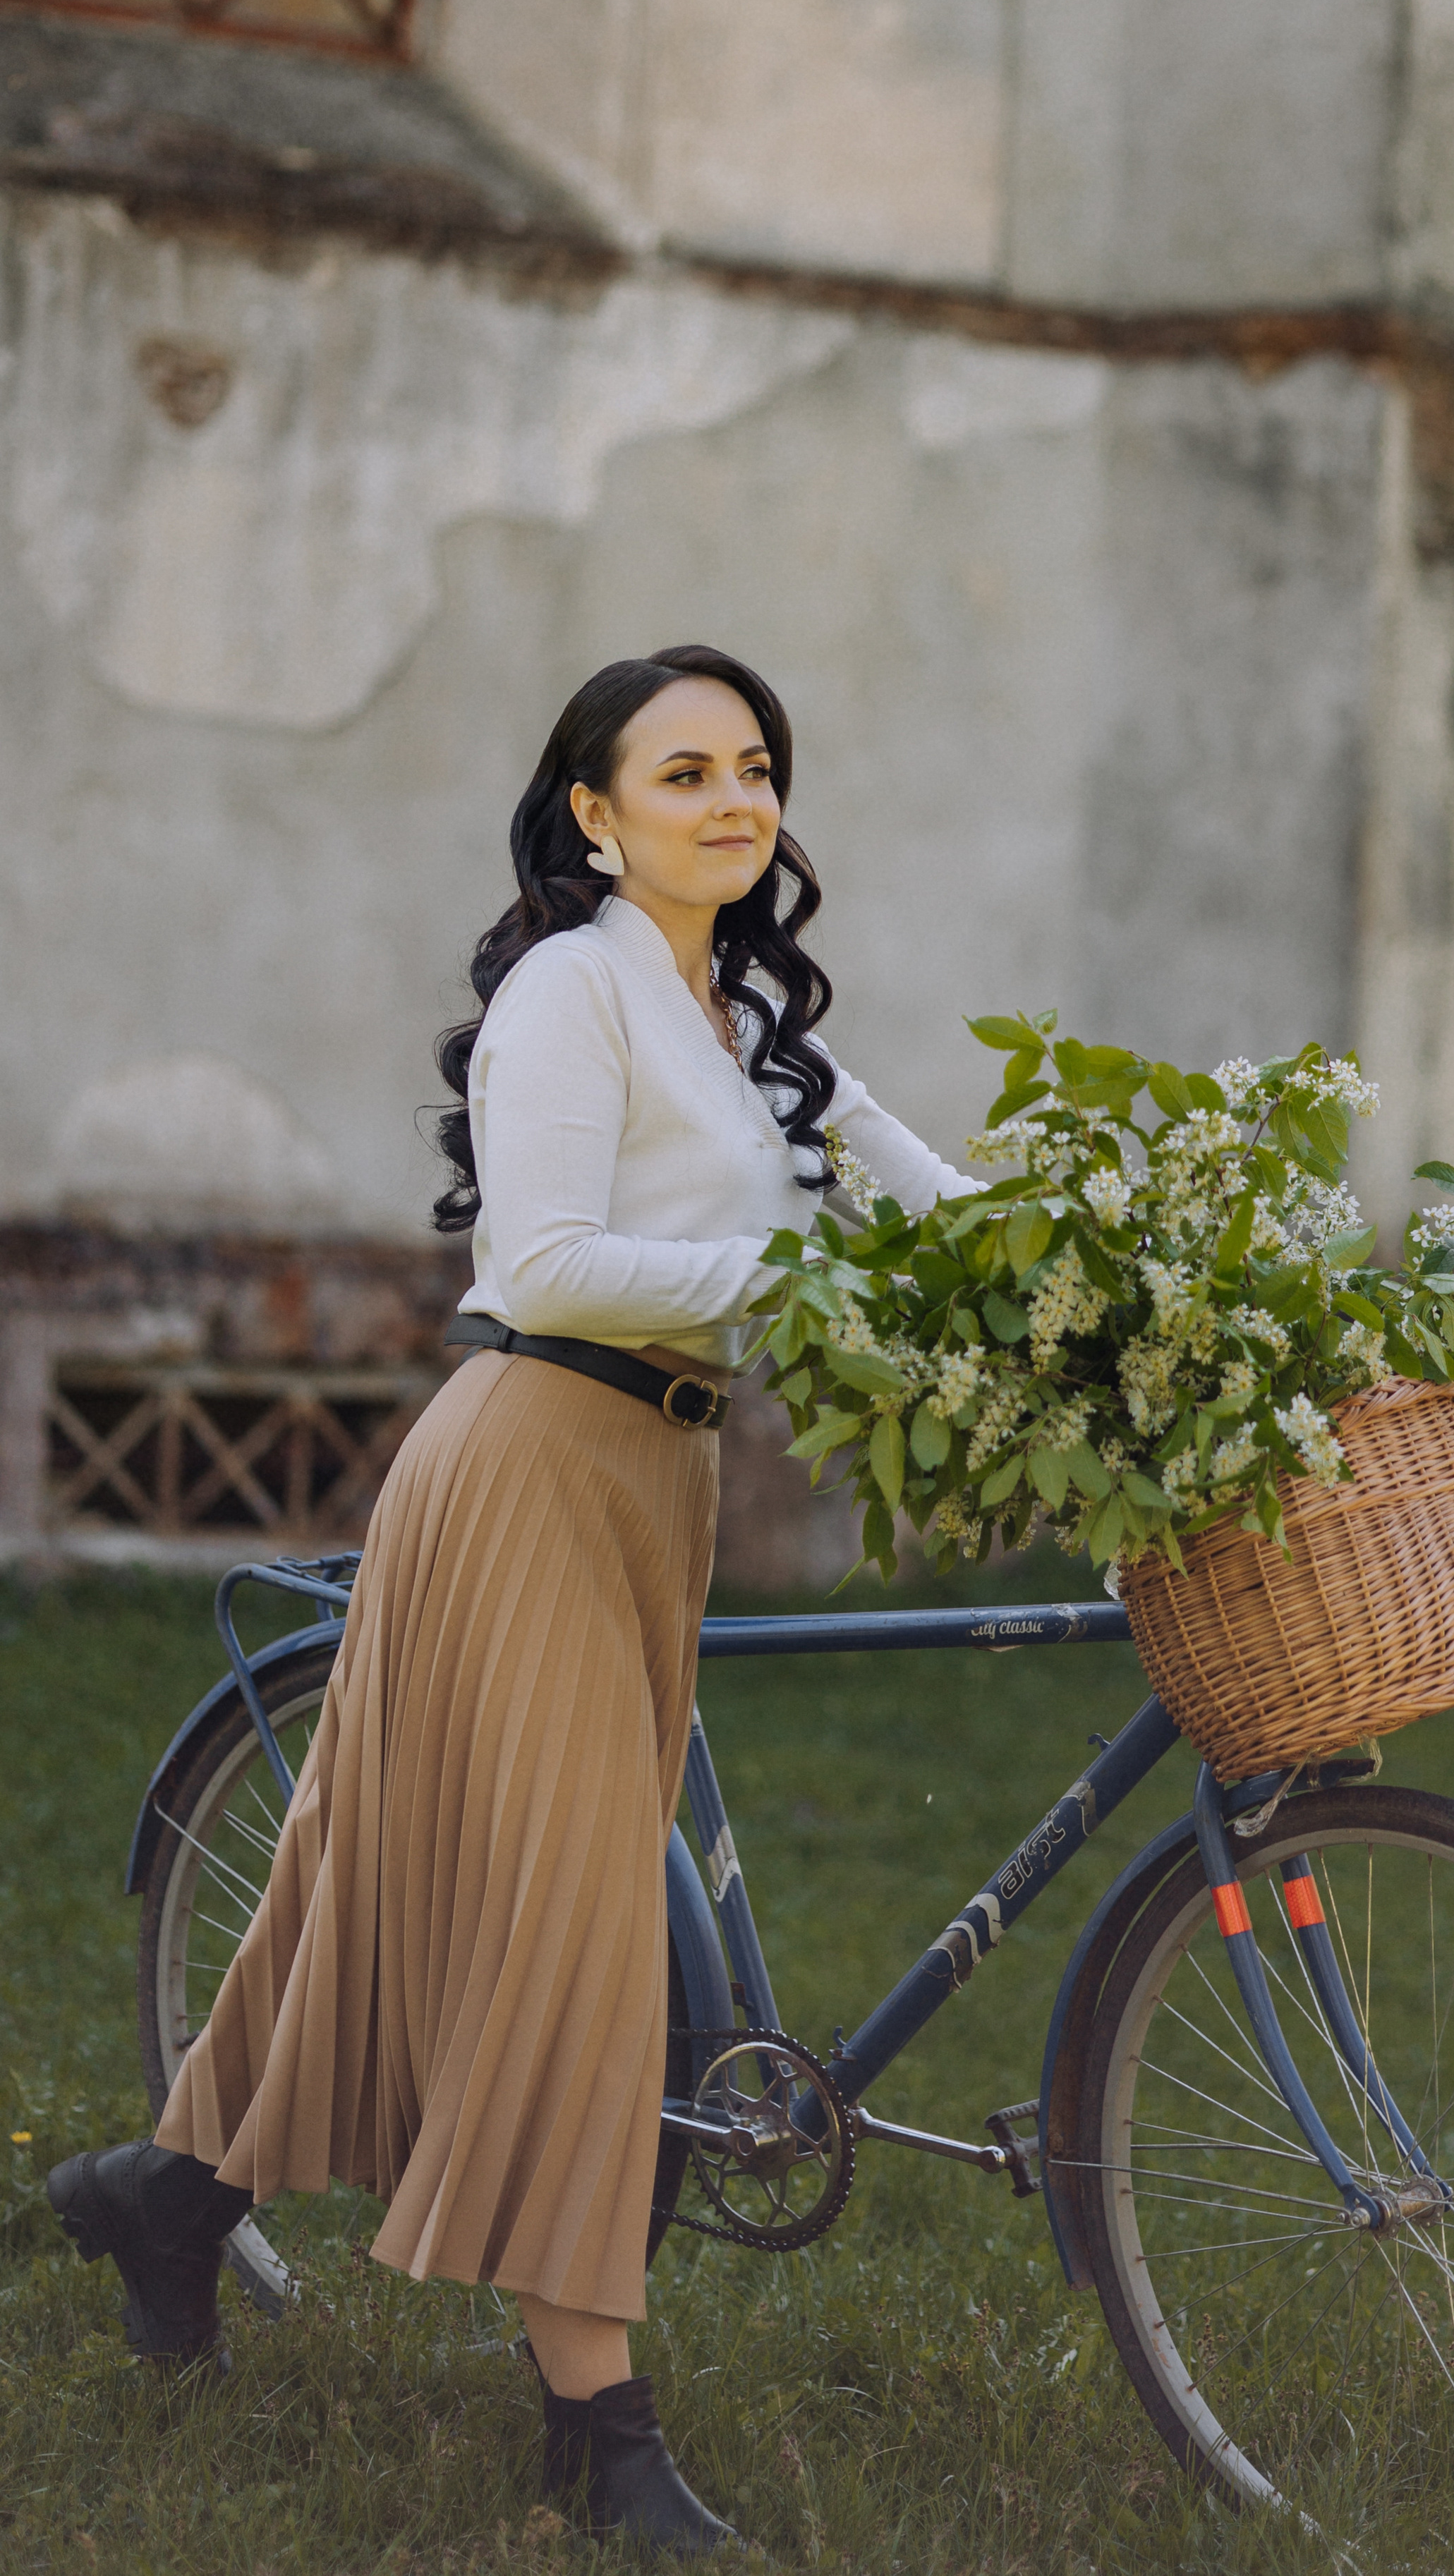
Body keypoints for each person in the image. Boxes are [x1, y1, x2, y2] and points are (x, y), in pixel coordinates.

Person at [49, 647, 971, 2558]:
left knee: (373, 1877)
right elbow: (542, 1256)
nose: (734, 798)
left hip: (656, 1486)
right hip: (535, 1463)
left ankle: (173, 2195)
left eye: (758, 768)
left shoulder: (757, 1032)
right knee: (576, 1939)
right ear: (596, 809)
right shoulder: (573, 991)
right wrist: (789, 1286)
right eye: (687, 768)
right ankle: (597, 2431)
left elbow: (947, 1211)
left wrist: (1139, 1295)